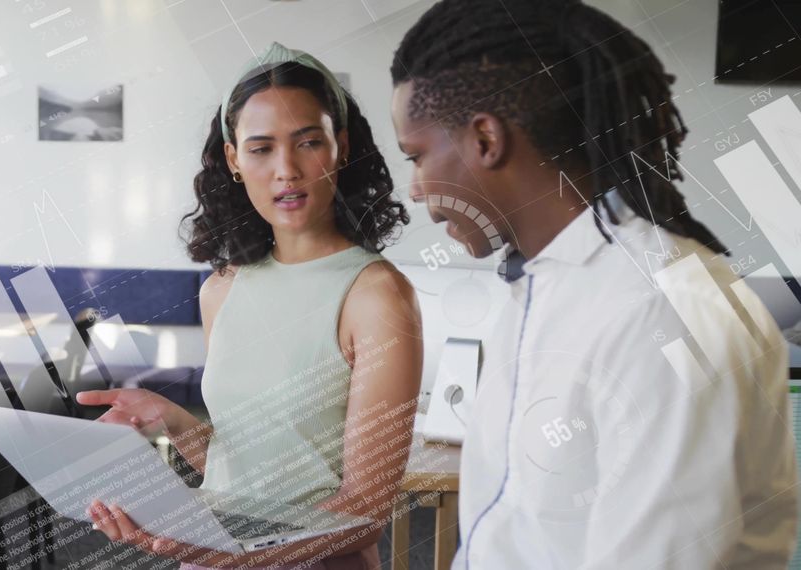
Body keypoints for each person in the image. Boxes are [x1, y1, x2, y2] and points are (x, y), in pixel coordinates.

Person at [389, 1, 798, 567]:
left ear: (485, 139)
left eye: (416, 156)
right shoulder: (543, 287)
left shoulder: (661, 312)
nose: (414, 188)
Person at [78, 42, 423, 569]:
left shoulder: (376, 294)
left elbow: (365, 510)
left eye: (308, 142)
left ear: (342, 147)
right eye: (261, 148)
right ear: (234, 160)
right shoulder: (223, 287)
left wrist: (227, 557)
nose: (287, 169)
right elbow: (241, 467)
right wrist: (172, 420)